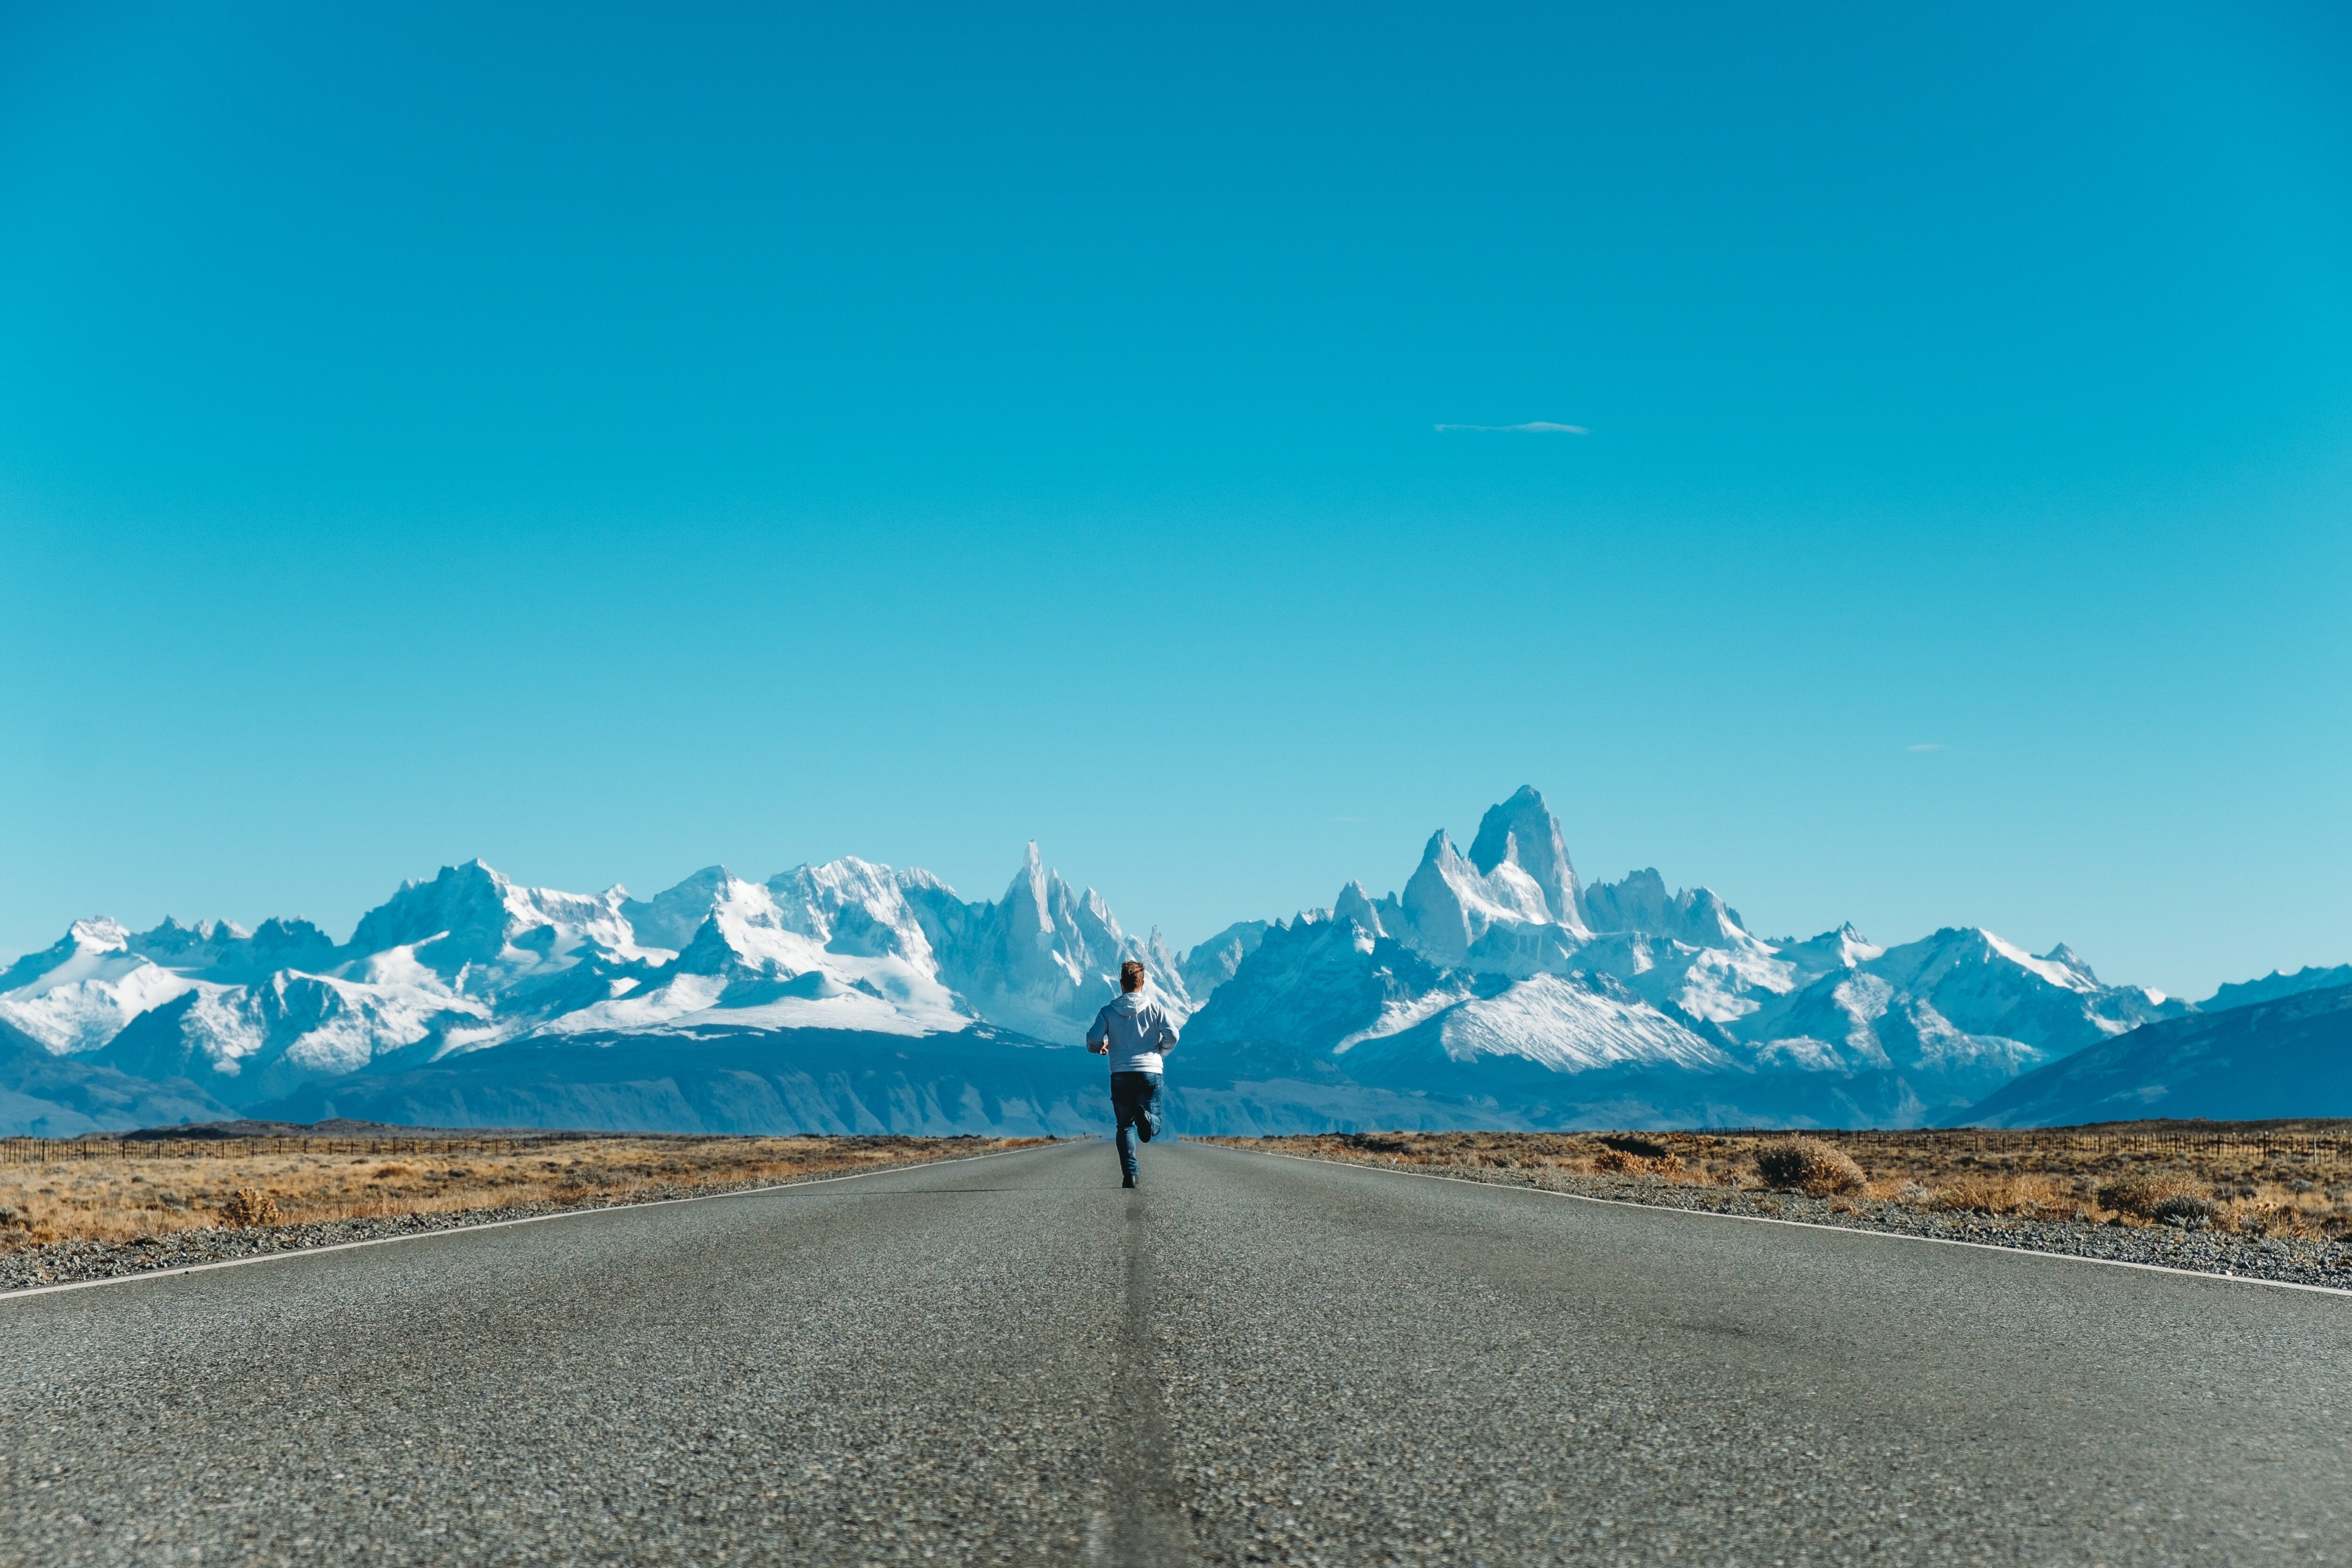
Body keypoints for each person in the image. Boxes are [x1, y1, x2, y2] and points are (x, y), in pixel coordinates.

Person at [1086, 958, 1179, 1188]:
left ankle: (1131, 1174)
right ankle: (1147, 1119)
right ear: (1143, 983)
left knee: (1124, 1126)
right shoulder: (1156, 1009)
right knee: (1154, 1122)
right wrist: (1161, 1051)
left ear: (1121, 984)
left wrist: (1101, 1047)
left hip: (1121, 1072)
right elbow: (1173, 1035)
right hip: (1151, 1071)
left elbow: (1092, 1040)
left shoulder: (1108, 1012)